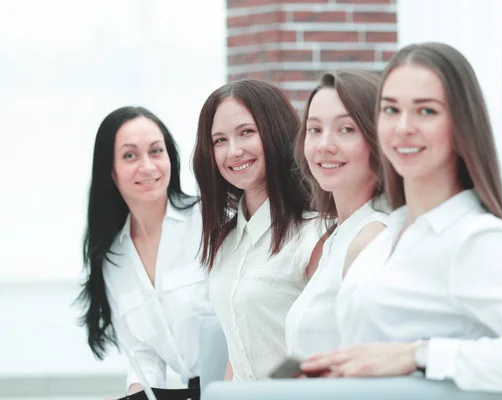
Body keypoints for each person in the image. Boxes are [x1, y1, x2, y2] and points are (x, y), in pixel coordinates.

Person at [301, 42, 502, 392]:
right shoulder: (390, 236)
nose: (403, 126)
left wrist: (418, 355)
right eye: (391, 110)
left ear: (461, 124)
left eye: (426, 111)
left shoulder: (474, 238)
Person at [78, 106, 214, 397]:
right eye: (130, 155)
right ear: (110, 172)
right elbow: (142, 353)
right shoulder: (114, 258)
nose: (148, 166)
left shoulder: (208, 221)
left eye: (156, 151)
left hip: (241, 381)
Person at [193, 79, 322, 380]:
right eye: (219, 140)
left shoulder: (314, 234)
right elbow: (237, 354)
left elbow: (325, 353)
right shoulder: (224, 242)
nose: (233, 151)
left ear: (275, 132)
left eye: (246, 132)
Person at [285, 70, 388, 359]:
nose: (324, 145)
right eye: (314, 130)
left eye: (346, 129)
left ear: (377, 139)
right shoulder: (339, 234)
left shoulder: (372, 237)